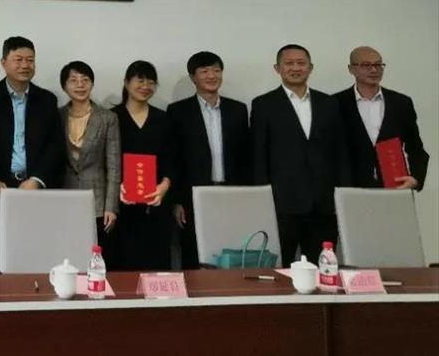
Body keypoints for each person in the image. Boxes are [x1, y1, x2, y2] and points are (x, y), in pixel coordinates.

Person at [0, 36, 63, 271]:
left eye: (30, 60)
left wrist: (37, 180)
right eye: (18, 59)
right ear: (3, 63)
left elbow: (55, 146)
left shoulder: (47, 100)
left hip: (34, 188)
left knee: (33, 252)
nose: (25, 65)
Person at [252, 44, 350, 264]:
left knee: (322, 267)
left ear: (310, 67)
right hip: (281, 203)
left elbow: (341, 152)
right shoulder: (263, 104)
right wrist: (262, 198)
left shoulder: (329, 103)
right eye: (289, 63)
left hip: (323, 204)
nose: (295, 68)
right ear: (277, 68)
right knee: (277, 267)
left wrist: (343, 195)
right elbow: (259, 156)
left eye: (301, 63)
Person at [167, 51, 250, 269]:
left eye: (216, 70)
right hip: (194, 195)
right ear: (193, 77)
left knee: (230, 250)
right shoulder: (178, 111)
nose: (211, 76)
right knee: (193, 253)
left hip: (231, 193)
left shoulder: (238, 110)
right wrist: (178, 201)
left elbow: (245, 156)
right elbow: (174, 159)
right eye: (204, 71)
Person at [108, 60, 175, 271]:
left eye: (151, 82)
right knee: (123, 266)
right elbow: (104, 160)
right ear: (127, 83)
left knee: (157, 266)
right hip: (121, 207)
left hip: (157, 204)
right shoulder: (112, 117)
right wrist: (117, 187)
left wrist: (164, 186)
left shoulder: (163, 118)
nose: (146, 86)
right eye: (140, 80)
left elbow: (172, 159)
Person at [333, 46, 429, 190]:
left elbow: (415, 147)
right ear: (351, 69)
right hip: (348, 190)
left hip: (395, 186)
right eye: (366, 65)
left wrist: (416, 179)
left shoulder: (401, 103)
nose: (374, 70)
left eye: (378, 64)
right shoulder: (335, 103)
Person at [58, 60, 121, 249]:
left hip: (97, 200)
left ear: (92, 84)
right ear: (64, 86)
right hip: (64, 197)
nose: (80, 85)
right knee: (67, 251)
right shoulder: (57, 116)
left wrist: (111, 206)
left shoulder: (107, 118)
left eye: (85, 80)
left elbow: (114, 166)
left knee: (96, 253)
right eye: (73, 80)